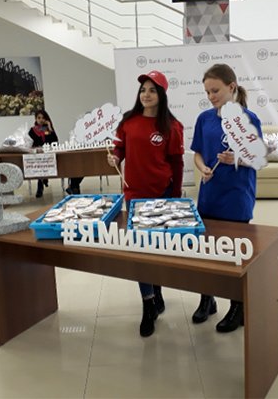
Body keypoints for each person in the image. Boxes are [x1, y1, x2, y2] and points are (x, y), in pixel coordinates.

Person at [107, 70, 184, 337]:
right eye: (143, 90)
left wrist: (175, 197)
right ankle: (148, 304)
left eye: (152, 90)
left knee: (157, 249)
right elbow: (120, 149)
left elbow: (177, 163)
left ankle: (157, 290)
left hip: (161, 194)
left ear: (161, 94)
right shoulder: (128, 121)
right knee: (140, 250)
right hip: (134, 195)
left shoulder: (172, 126)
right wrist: (116, 158)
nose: (146, 94)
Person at [190, 63, 262, 333]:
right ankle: (207, 299)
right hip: (209, 196)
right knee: (206, 253)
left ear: (231, 87)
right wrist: (203, 168)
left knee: (234, 256)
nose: (211, 97)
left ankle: (237, 306)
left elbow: (257, 159)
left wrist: (237, 159)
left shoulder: (249, 119)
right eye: (207, 92)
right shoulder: (204, 119)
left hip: (236, 198)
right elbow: (197, 153)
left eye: (215, 91)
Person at [28, 109, 58, 198]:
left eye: (43, 118)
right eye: (39, 118)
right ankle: (40, 184)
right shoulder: (32, 130)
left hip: (49, 155)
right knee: (40, 163)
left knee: (46, 162)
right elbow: (30, 144)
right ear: (36, 119)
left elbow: (55, 141)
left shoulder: (48, 129)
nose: (41, 120)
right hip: (37, 156)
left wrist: (49, 128)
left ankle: (43, 180)